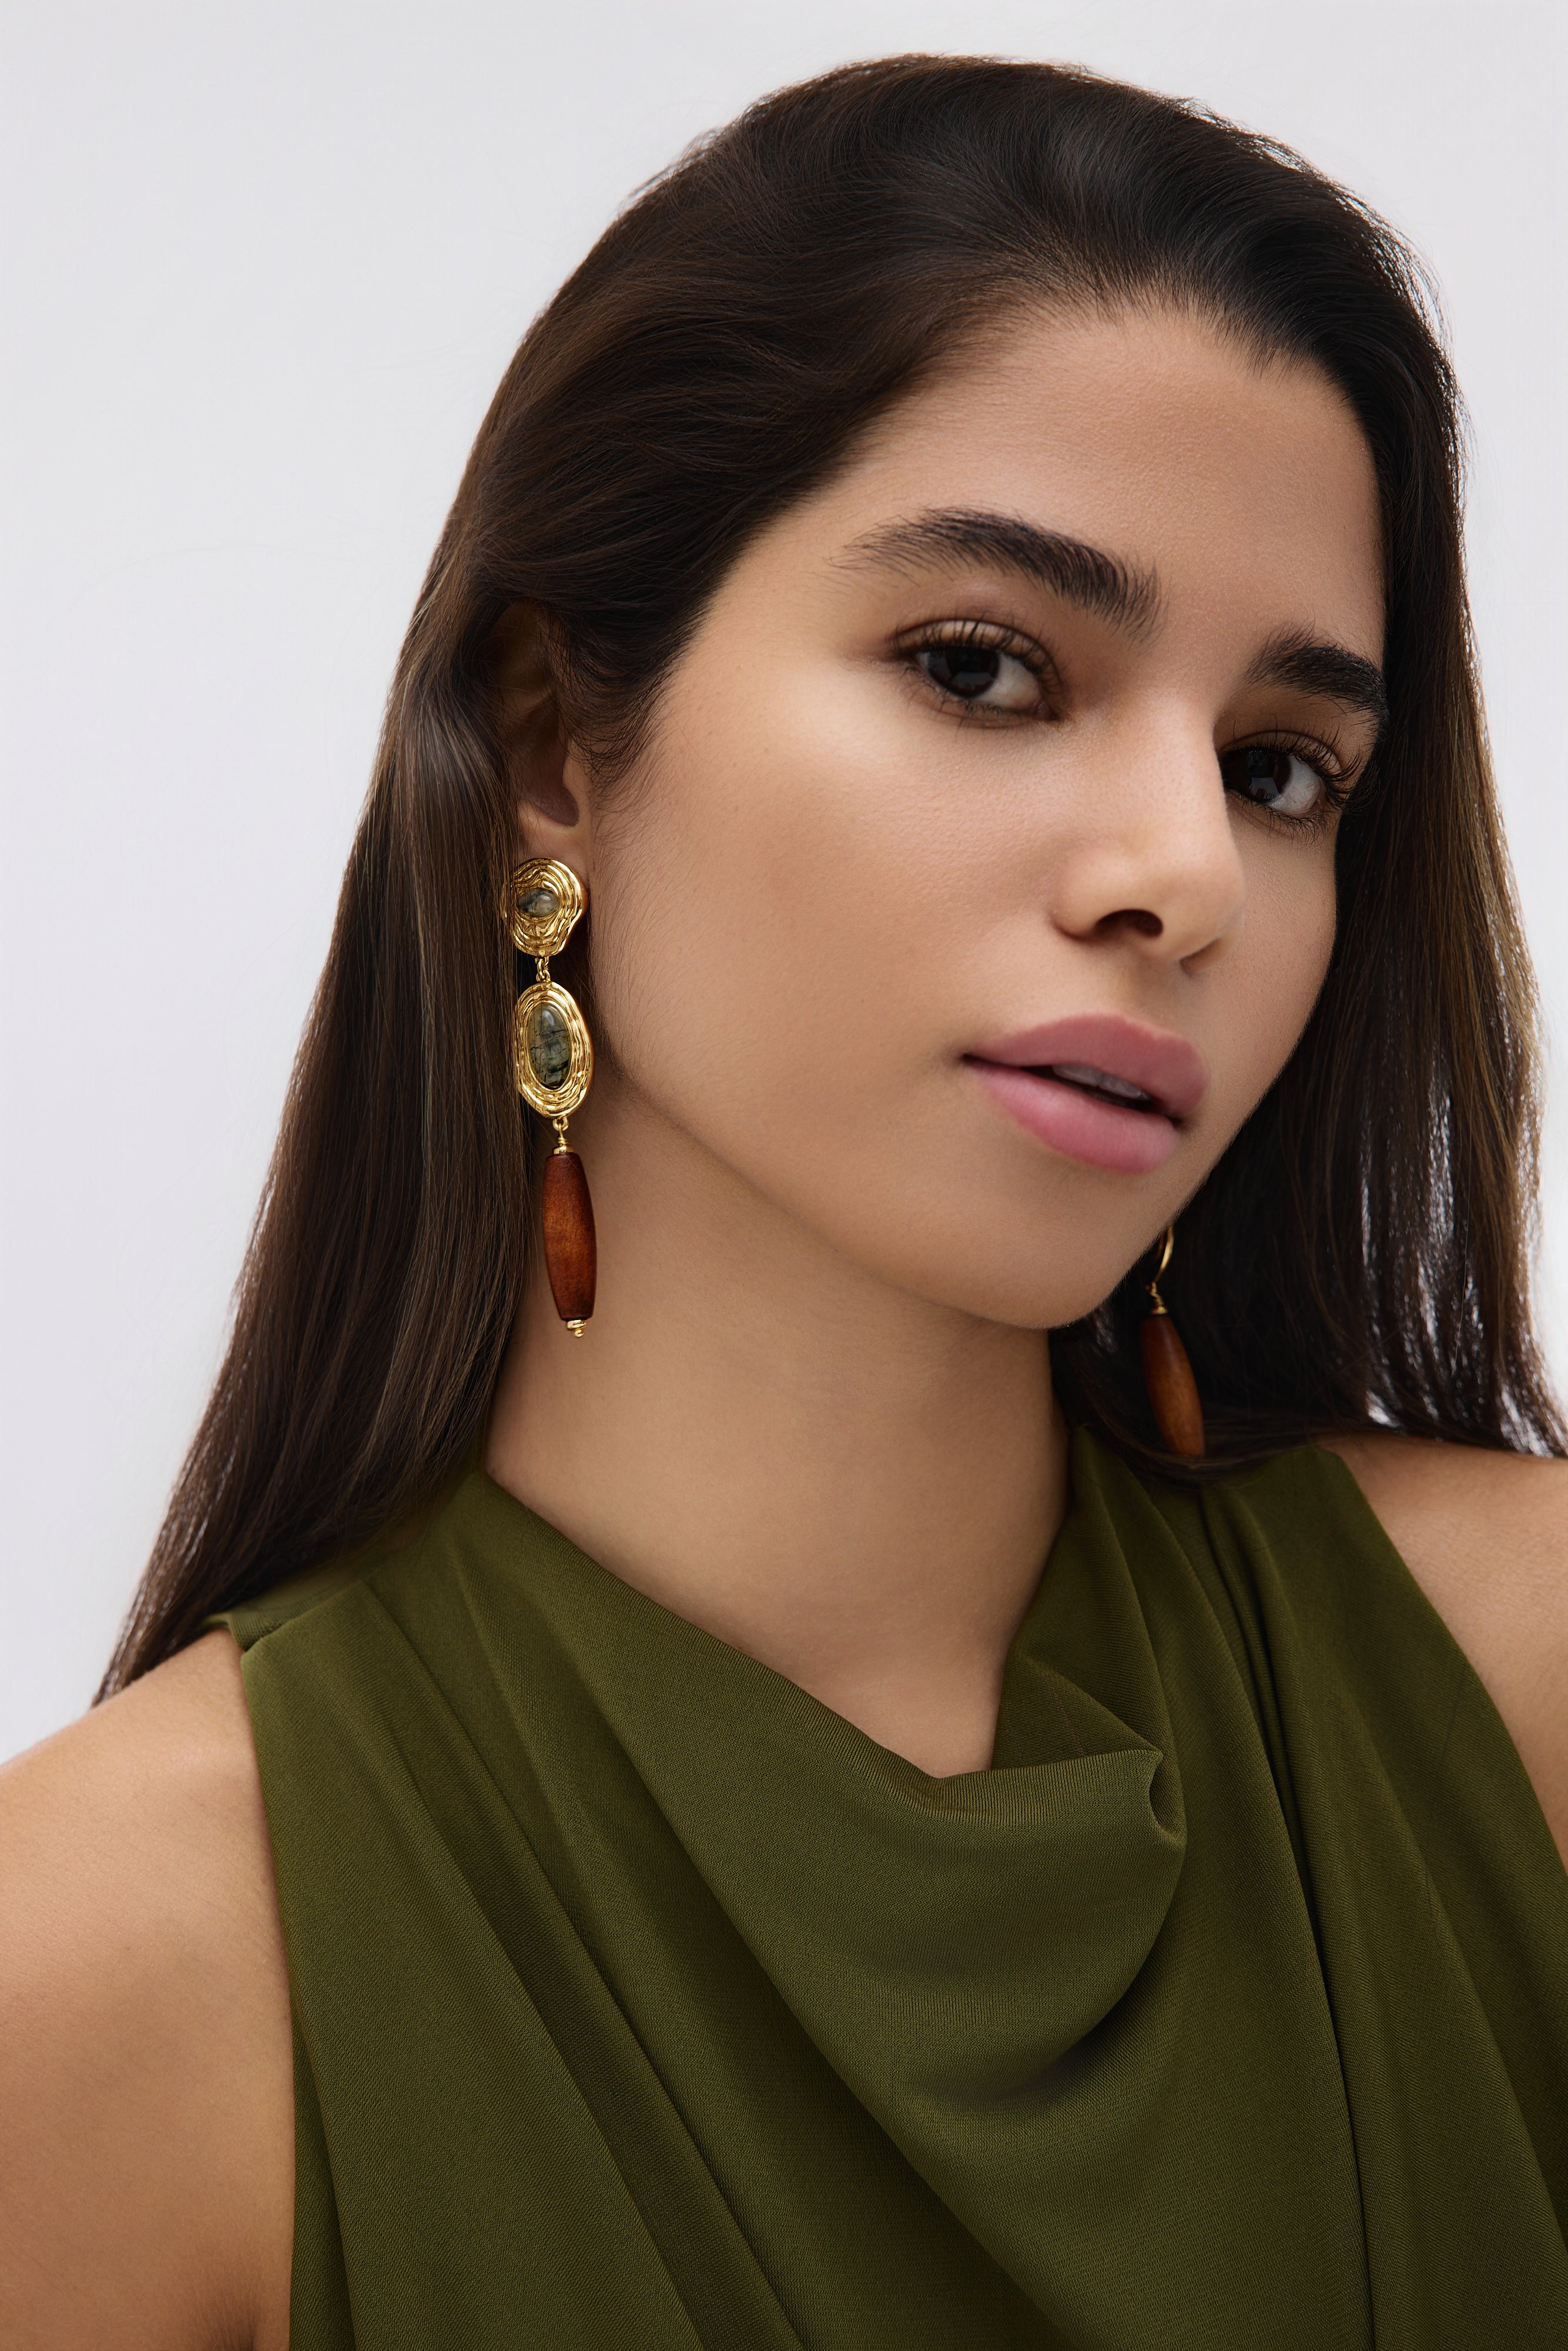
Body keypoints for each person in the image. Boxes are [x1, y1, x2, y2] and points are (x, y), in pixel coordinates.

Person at [3, 52, 1566, 2351]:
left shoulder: (1516, 1690)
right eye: (982, 666)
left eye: (1279, 766)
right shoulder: (121, 1969)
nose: (1181, 877)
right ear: (553, 740)